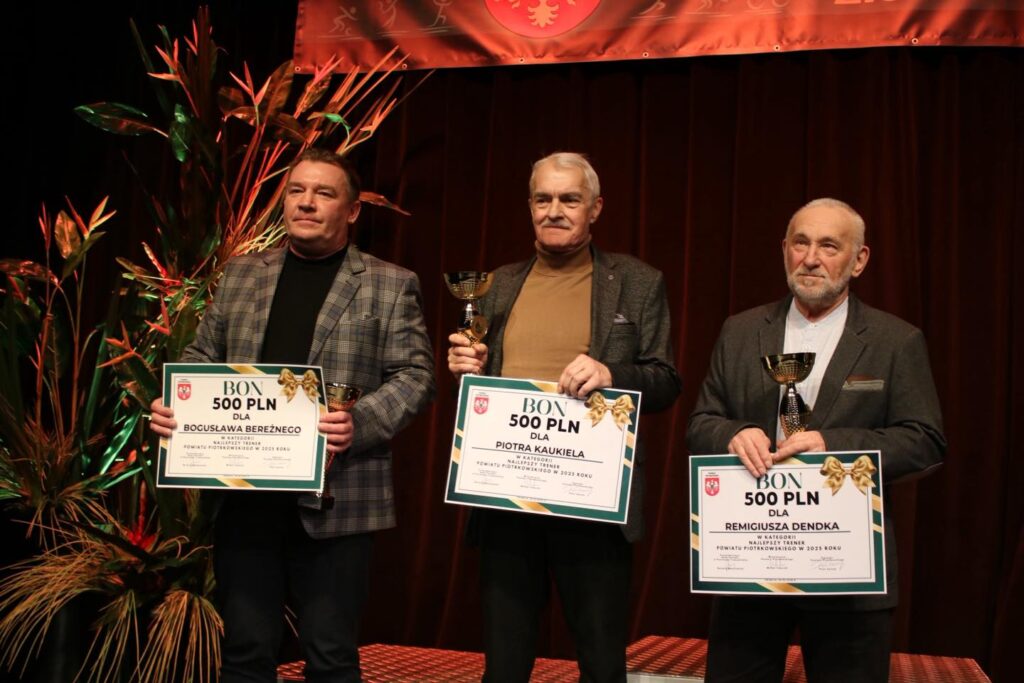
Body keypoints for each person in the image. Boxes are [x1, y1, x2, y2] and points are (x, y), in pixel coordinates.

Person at [148, 148, 435, 682]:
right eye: (297, 191)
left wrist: (359, 422)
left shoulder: (390, 283)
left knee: (330, 658)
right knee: (244, 655)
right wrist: (176, 406)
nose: (306, 202)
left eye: (324, 193)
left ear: (352, 211)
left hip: (337, 499)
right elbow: (201, 357)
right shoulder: (241, 274)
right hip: (246, 497)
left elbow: (417, 376)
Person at [687, 198, 946, 682]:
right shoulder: (740, 330)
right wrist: (733, 432)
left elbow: (924, 440)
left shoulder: (895, 341)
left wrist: (832, 444)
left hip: (847, 569)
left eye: (829, 246)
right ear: (784, 250)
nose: (810, 258)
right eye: (801, 243)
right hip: (751, 562)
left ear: (859, 260)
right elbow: (702, 421)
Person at [448, 152, 681, 682]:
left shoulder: (638, 281)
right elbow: (481, 380)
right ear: (530, 206)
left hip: (593, 503)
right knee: (504, 667)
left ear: (595, 208)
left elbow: (666, 379)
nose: (554, 210)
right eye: (543, 199)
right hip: (506, 499)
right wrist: (468, 367)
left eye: (570, 199)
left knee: (601, 664)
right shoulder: (495, 285)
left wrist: (611, 372)